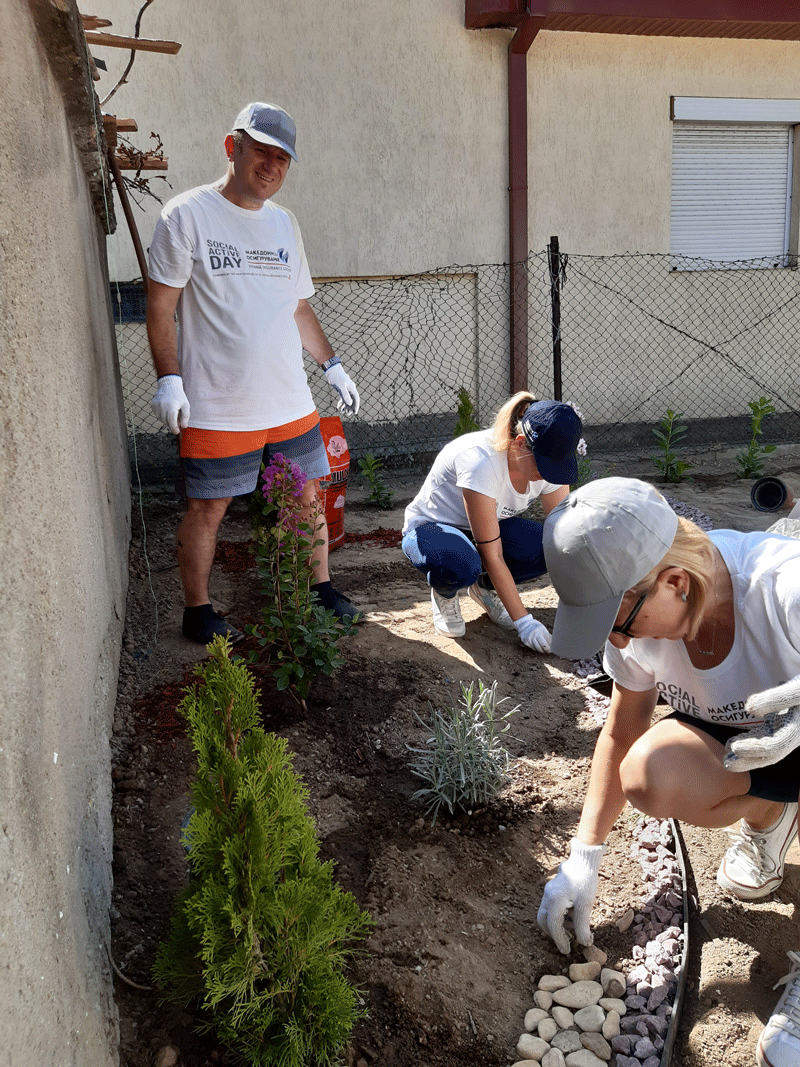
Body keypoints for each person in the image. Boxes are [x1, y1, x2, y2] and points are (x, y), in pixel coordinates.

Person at [537, 476, 800, 1067]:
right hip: (746, 740)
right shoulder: (636, 622)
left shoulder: (784, 587)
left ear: (675, 582)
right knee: (651, 774)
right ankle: (772, 812)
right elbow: (622, 730)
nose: (616, 638)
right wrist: (584, 856)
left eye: (620, 621)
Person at [147, 102, 361, 644]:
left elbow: (298, 308)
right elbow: (161, 305)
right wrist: (169, 378)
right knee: (209, 507)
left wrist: (332, 366)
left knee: (308, 494)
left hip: (290, 401)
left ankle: (320, 589)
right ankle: (197, 610)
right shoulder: (186, 214)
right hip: (218, 404)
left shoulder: (285, 224)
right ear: (232, 147)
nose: (271, 165)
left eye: (282, 158)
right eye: (261, 151)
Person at [401, 393, 583, 650]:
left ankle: (484, 588)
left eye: (557, 466)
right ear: (520, 444)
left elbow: (564, 537)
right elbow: (492, 554)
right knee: (460, 563)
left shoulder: (545, 463)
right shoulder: (480, 462)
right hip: (434, 530)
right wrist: (525, 623)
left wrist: (586, 604)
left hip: (487, 527)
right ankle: (445, 591)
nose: (549, 475)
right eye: (544, 465)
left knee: (548, 547)